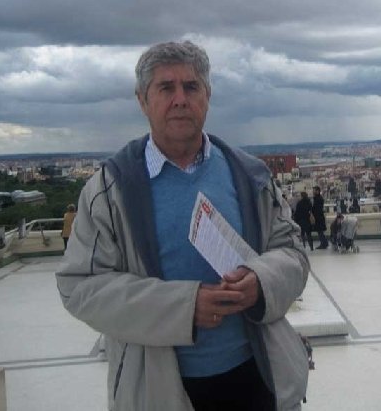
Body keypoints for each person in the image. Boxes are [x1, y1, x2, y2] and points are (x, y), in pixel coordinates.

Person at [55, 41, 310, 411]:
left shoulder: (249, 175)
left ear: (207, 95)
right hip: (159, 388)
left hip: (256, 376)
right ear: (143, 100)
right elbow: (79, 286)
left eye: (191, 87)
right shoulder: (110, 190)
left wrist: (261, 281)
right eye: (165, 88)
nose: (180, 100)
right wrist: (185, 307)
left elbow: (293, 254)